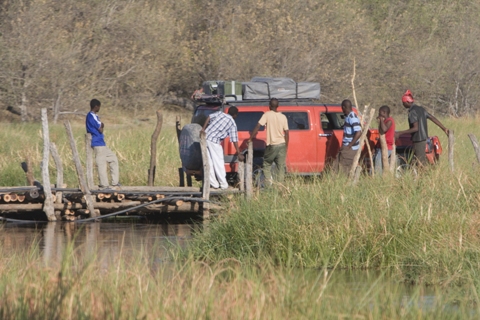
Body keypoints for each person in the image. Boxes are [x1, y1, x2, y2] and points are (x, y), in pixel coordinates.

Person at [395, 90, 449, 165]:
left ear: (407, 102)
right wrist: (444, 128)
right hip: (424, 138)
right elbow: (432, 118)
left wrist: (400, 133)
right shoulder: (421, 109)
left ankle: (424, 175)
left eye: (403, 103)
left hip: (418, 139)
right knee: (418, 159)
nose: (403, 104)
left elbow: (415, 128)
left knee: (421, 161)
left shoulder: (412, 112)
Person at [248, 98, 289, 184]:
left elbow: (258, 126)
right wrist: (286, 147)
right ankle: (279, 186)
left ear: (269, 106)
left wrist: (250, 138)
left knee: (266, 164)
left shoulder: (267, 115)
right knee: (280, 167)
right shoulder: (283, 117)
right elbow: (287, 133)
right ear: (278, 106)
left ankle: (268, 184)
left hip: (272, 145)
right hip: (282, 144)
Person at [202, 107, 244, 189]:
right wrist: (239, 153)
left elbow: (209, 117)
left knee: (208, 162)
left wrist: (203, 129)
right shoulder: (232, 123)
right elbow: (234, 139)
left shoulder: (220, 114)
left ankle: (214, 183)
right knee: (219, 162)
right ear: (235, 115)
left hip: (205, 138)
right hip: (214, 141)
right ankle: (223, 184)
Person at [86, 99, 120, 189]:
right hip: (97, 142)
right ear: (96, 106)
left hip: (102, 142)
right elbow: (100, 128)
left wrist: (102, 125)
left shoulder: (95, 116)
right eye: (99, 106)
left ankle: (115, 182)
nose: (99, 108)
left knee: (113, 158)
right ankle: (104, 185)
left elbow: (101, 125)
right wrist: (102, 125)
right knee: (101, 163)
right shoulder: (91, 116)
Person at [335, 99, 362, 175]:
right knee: (336, 165)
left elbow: (358, 132)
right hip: (346, 145)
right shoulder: (348, 116)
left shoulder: (352, 117)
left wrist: (350, 145)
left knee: (344, 168)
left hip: (350, 148)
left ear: (344, 107)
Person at [374, 105, 395, 175]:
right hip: (382, 146)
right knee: (378, 163)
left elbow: (384, 129)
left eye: (380, 113)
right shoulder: (385, 121)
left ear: (384, 112)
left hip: (387, 147)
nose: (379, 114)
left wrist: (381, 120)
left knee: (378, 165)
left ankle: (378, 179)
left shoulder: (390, 121)